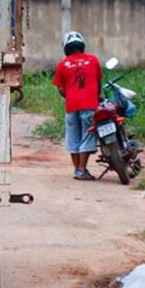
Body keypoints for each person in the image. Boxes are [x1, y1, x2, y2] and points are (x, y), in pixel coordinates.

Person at [53, 31, 104, 181]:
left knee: (73, 138)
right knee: (87, 136)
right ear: (82, 45)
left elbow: (61, 88)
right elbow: (98, 81)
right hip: (89, 105)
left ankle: (77, 170)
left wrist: (70, 97)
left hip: (71, 106)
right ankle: (82, 169)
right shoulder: (92, 60)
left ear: (66, 48)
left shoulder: (62, 65)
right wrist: (96, 95)